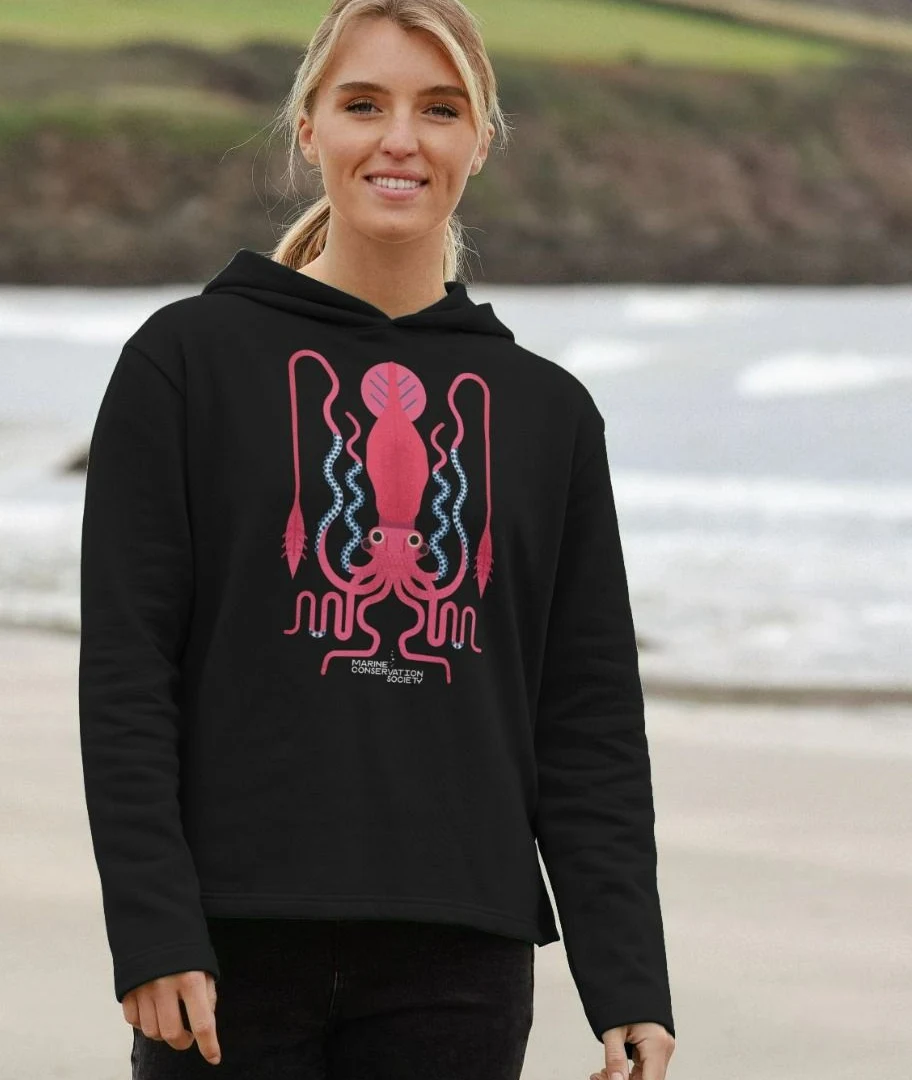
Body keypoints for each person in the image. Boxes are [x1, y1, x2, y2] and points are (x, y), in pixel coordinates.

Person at [77, 1, 676, 1077]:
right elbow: (129, 669)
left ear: (479, 141)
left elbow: (585, 716)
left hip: (461, 954)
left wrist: (626, 974)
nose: (401, 139)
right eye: (364, 104)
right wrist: (152, 927)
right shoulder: (186, 361)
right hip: (231, 945)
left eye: (439, 110)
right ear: (309, 128)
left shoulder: (548, 413)